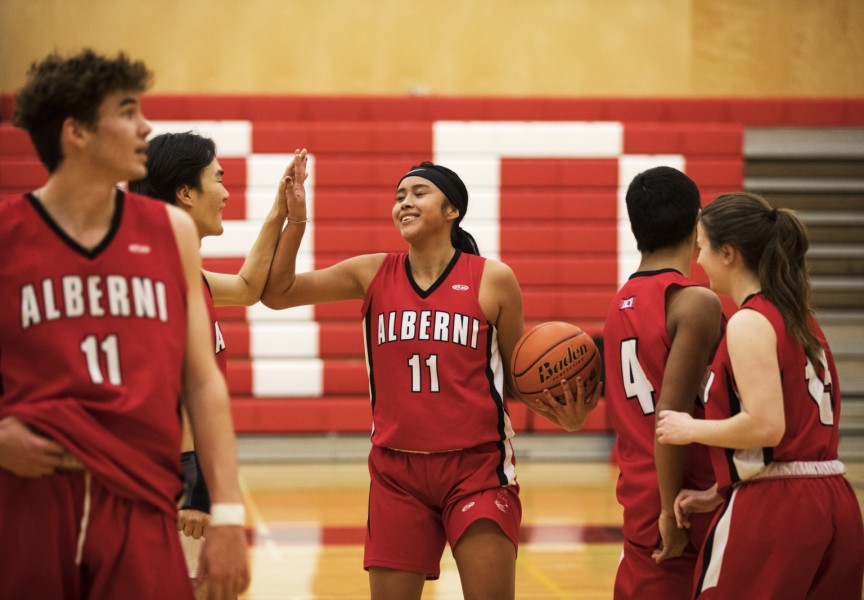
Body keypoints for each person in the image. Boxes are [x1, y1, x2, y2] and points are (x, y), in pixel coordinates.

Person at [261, 160, 596, 599]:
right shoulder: (372, 272)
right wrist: (297, 217)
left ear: (451, 209)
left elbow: (516, 377)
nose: (404, 203)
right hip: (396, 473)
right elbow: (277, 292)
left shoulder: (492, 279)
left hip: (476, 468)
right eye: (399, 196)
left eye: (418, 193)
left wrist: (566, 418)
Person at [0, 49, 249, 599]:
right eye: (128, 111)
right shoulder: (8, 233)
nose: (147, 125)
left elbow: (203, 380)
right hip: (33, 498)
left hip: (141, 499)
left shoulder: (171, 234)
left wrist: (227, 510)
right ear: (77, 133)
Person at [656, 192, 864, 599]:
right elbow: (797, 431)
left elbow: (767, 426)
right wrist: (720, 489)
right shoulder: (800, 316)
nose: (698, 260)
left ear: (728, 253)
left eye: (702, 248)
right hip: (835, 501)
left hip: (778, 511)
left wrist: (689, 427)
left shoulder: (749, 321)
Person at [129, 133, 306, 592]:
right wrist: (200, 489)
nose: (227, 193)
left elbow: (249, 287)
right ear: (186, 193)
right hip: (180, 476)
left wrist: (279, 214)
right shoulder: (154, 278)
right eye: (218, 179)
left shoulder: (187, 271)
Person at [603, 166, 723, 598]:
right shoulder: (695, 301)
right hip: (687, 504)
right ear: (697, 222)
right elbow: (669, 419)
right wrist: (671, 511)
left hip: (637, 497)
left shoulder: (620, 302)